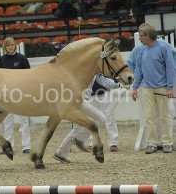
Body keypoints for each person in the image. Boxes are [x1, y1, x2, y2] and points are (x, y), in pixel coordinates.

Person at [53, 73, 120, 163]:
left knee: (78, 127)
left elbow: (105, 82)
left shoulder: (95, 71)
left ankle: (60, 153)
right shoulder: (82, 67)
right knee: (101, 118)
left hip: (82, 101)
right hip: (80, 101)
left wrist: (119, 84)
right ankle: (78, 139)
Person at [131, 23, 176, 154]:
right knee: (149, 117)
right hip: (147, 88)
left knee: (165, 116)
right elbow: (139, 70)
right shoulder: (142, 50)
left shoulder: (163, 48)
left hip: (162, 88)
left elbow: (171, 68)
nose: (139, 38)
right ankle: (152, 143)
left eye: (141, 36)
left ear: (148, 35)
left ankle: (167, 142)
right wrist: (134, 87)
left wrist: (170, 87)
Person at [0, 37, 31, 154]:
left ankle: (26, 146)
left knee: (24, 120)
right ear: (5, 47)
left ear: (15, 46)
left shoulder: (22, 59)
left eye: (12, 44)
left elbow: (29, 75)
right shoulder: (1, 60)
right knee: (7, 122)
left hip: (21, 94)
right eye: (8, 45)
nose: (11, 47)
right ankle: (9, 146)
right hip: (6, 95)